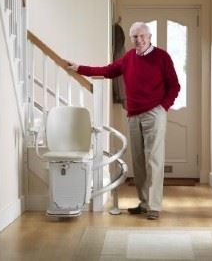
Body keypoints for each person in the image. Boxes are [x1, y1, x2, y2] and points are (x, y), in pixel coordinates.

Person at [67, 22, 180, 220]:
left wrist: (163, 106)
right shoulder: (128, 58)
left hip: (154, 113)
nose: (139, 40)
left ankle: (154, 206)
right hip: (133, 114)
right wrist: (79, 68)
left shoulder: (162, 57)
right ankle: (144, 203)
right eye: (135, 37)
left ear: (150, 36)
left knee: (154, 160)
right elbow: (108, 70)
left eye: (142, 36)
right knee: (137, 161)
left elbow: (174, 86)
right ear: (131, 39)